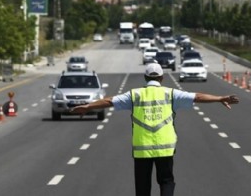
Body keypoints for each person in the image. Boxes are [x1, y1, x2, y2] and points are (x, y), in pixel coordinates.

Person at [70, 63, 239, 196]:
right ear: (162, 78)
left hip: (142, 149)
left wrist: (88, 107)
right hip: (165, 148)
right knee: (166, 182)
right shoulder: (171, 94)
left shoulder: (134, 95)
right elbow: (198, 97)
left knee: (143, 186)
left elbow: (109, 101)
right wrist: (220, 98)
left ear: (145, 77)